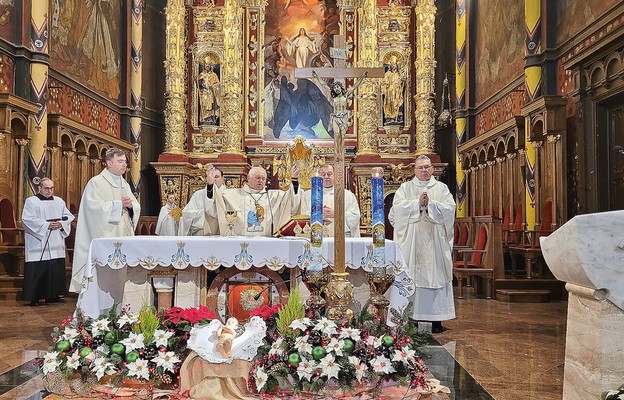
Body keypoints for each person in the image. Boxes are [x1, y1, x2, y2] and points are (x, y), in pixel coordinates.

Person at [390, 155, 455, 333]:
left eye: (427, 167)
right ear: (415, 170)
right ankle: (412, 318)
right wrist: (417, 205)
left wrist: (431, 205)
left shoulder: (442, 188)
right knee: (412, 277)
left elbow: (450, 210)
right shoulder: (405, 188)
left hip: (435, 243)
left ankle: (436, 320)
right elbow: (397, 211)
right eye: (421, 167)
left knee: (437, 275)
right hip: (413, 242)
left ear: (432, 169)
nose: (424, 170)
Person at [69, 148, 140, 293]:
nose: (124, 165)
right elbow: (93, 209)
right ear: (109, 163)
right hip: (105, 238)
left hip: (123, 236)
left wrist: (132, 206)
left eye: (125, 162)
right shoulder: (96, 183)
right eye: (120, 161)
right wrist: (118, 204)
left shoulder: (124, 184)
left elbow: (135, 206)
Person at [203, 164, 300, 237]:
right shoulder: (233, 195)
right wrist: (211, 184)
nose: (260, 181)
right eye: (258, 178)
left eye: (263, 179)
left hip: (266, 243)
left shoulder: (273, 196)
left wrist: (294, 179)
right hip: (240, 243)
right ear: (248, 178)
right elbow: (216, 203)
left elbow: (291, 199)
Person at [21, 178, 74, 306]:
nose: (49, 191)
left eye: (51, 188)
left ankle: (53, 296)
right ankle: (35, 297)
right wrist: (46, 225)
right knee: (37, 268)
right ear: (39, 188)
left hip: (55, 240)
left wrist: (60, 224)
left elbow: (68, 216)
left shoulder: (59, 201)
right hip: (39, 241)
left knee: (54, 267)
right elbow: (27, 220)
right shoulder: (31, 202)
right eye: (46, 188)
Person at [297, 164, 361, 237]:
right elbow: (302, 217)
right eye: (323, 174)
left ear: (335, 176)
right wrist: (318, 214)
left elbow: (355, 216)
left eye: (329, 174)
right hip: (316, 237)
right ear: (319, 176)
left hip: (340, 238)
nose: (326, 177)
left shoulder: (347, 195)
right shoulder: (308, 195)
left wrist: (337, 214)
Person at [179, 167, 226, 236]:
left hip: (222, 232)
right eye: (211, 177)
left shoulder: (228, 195)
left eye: (216, 177)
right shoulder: (198, 194)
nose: (213, 179)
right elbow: (186, 213)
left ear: (222, 179)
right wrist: (201, 215)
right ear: (207, 179)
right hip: (201, 233)